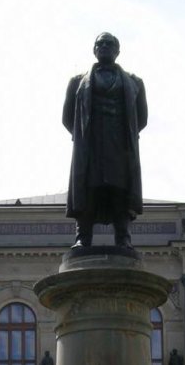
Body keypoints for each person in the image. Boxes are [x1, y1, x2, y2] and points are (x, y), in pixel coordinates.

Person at [63, 32, 148, 249]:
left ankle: (124, 238)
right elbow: (67, 117)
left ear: (118, 51)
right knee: (88, 190)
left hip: (120, 147)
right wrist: (84, 136)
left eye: (109, 44)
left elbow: (141, 118)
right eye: (100, 44)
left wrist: (120, 133)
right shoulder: (77, 83)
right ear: (94, 50)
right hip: (90, 146)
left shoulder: (135, 83)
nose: (104, 47)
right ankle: (83, 237)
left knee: (120, 191)